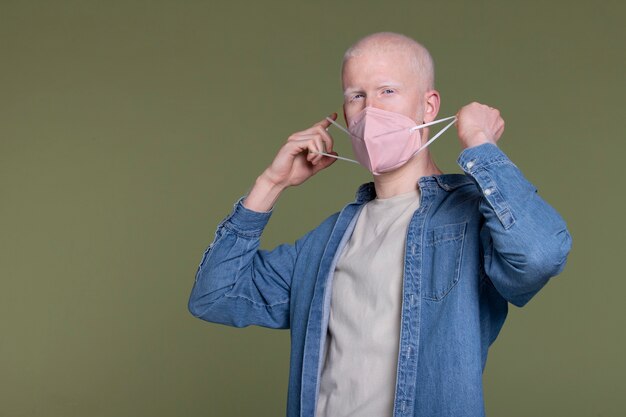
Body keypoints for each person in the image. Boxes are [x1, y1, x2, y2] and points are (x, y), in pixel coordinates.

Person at [188, 32, 572, 417]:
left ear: (428, 105)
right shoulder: (325, 243)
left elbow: (540, 254)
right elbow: (214, 297)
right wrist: (270, 185)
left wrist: (479, 144)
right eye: (357, 96)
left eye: (387, 91)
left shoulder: (471, 219)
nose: (370, 111)